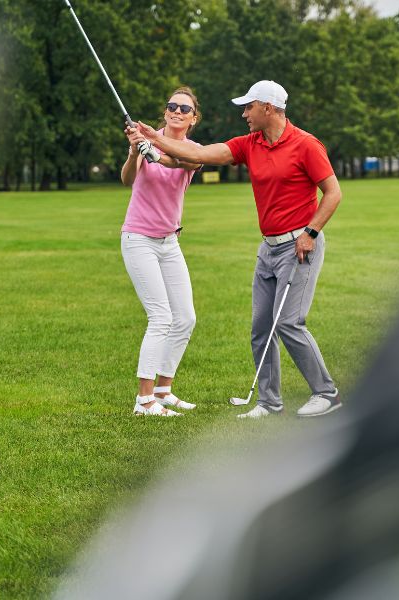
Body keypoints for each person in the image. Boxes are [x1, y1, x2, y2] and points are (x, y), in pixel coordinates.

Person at [137, 80, 342, 419]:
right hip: (269, 249)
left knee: (288, 323)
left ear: (269, 108)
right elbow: (199, 154)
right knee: (261, 329)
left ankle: (327, 394)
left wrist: (311, 233)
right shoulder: (250, 144)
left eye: (249, 107)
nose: (244, 113)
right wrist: (155, 137)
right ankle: (269, 402)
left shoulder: (306, 145)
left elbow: (333, 193)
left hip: (301, 245)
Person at [120, 86, 203, 416]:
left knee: (185, 318)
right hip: (139, 239)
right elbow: (127, 180)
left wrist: (153, 148)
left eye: (185, 109)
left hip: (170, 243)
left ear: (193, 119)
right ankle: (144, 400)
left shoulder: (194, 150)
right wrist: (134, 153)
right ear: (165, 111)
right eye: (172, 106)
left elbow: (180, 162)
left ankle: (164, 389)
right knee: (161, 318)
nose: (177, 112)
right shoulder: (145, 142)